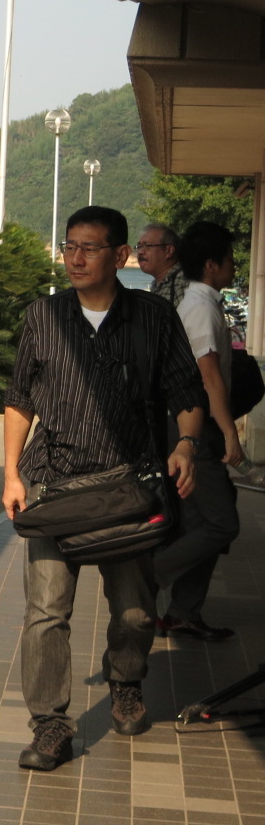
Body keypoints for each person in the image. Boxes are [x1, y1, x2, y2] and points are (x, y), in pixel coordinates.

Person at [2, 205, 206, 771]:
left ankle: (126, 681)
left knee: (136, 612)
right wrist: (11, 474)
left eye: (89, 248)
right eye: (69, 246)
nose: (75, 258)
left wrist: (187, 445)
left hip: (128, 488)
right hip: (54, 486)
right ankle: (49, 725)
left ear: (120, 256)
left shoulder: (153, 317)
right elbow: (20, 398)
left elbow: (186, 391)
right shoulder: (43, 316)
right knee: (46, 612)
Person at [154, 220, 243, 640]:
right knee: (223, 524)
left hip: (186, 426)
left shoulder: (196, 302)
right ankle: (147, 576)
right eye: (229, 259)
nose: (234, 266)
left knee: (199, 523)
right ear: (211, 264)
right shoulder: (201, 308)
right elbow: (210, 379)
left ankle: (183, 612)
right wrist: (230, 433)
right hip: (194, 430)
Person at [136, 221, 188, 306]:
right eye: (139, 246)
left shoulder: (182, 281)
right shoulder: (157, 284)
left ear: (169, 251)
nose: (140, 252)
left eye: (147, 246)